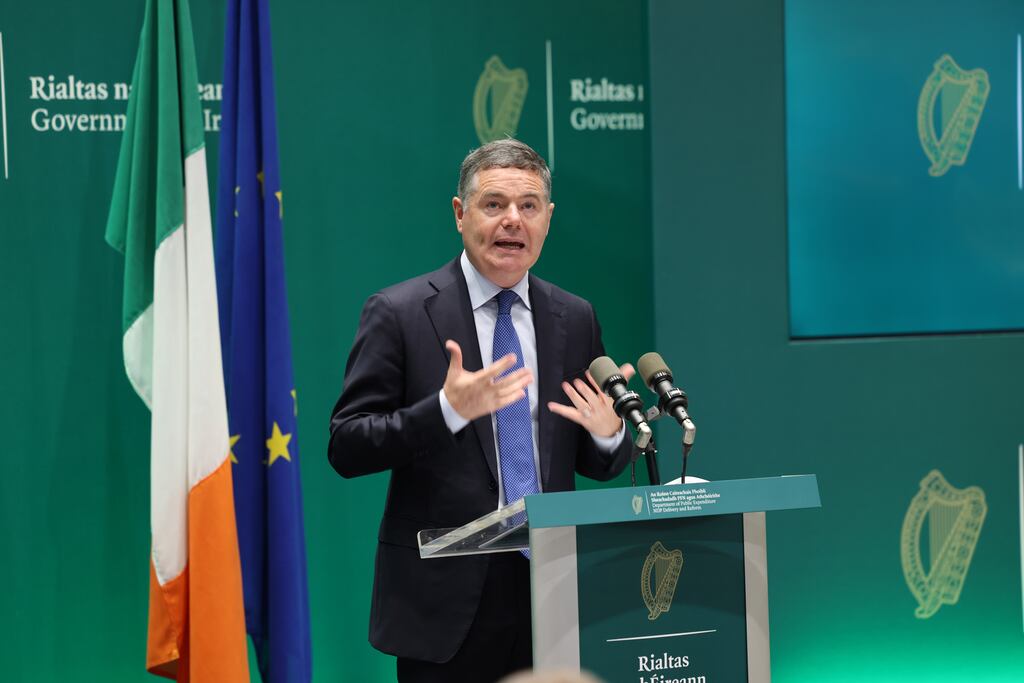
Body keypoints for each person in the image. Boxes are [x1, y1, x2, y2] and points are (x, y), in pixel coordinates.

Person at [328, 138, 634, 682]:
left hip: (551, 591)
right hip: (444, 602)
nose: (512, 221)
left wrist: (610, 436)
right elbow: (348, 445)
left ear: (548, 218)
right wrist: (446, 410)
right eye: (494, 204)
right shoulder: (399, 313)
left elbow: (590, 460)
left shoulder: (574, 316)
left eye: (529, 206)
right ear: (460, 213)